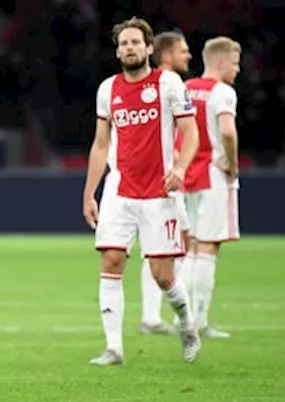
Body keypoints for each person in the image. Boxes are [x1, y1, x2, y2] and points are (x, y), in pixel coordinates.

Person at [82, 17, 201, 365]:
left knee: (163, 276)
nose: (129, 48)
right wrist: (90, 193)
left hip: (159, 192)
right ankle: (114, 348)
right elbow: (100, 144)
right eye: (123, 43)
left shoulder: (168, 83)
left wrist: (180, 168)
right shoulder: (108, 89)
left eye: (135, 42)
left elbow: (190, 132)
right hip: (119, 190)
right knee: (111, 260)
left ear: (149, 48)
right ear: (117, 51)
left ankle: (187, 324)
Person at [178, 37, 242, 339]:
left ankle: (183, 317)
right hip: (214, 174)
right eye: (235, 63)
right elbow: (227, 131)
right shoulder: (223, 92)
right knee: (208, 246)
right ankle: (200, 321)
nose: (237, 70)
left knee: (191, 246)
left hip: (187, 174)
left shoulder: (185, 88)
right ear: (220, 62)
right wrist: (232, 163)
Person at [139, 31, 194, 335]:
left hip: (162, 177)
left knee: (164, 246)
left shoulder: (156, 84)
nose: (188, 56)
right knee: (175, 244)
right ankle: (166, 315)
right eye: (183, 51)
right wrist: (177, 164)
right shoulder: (165, 83)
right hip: (162, 180)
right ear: (167, 55)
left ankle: (154, 315)